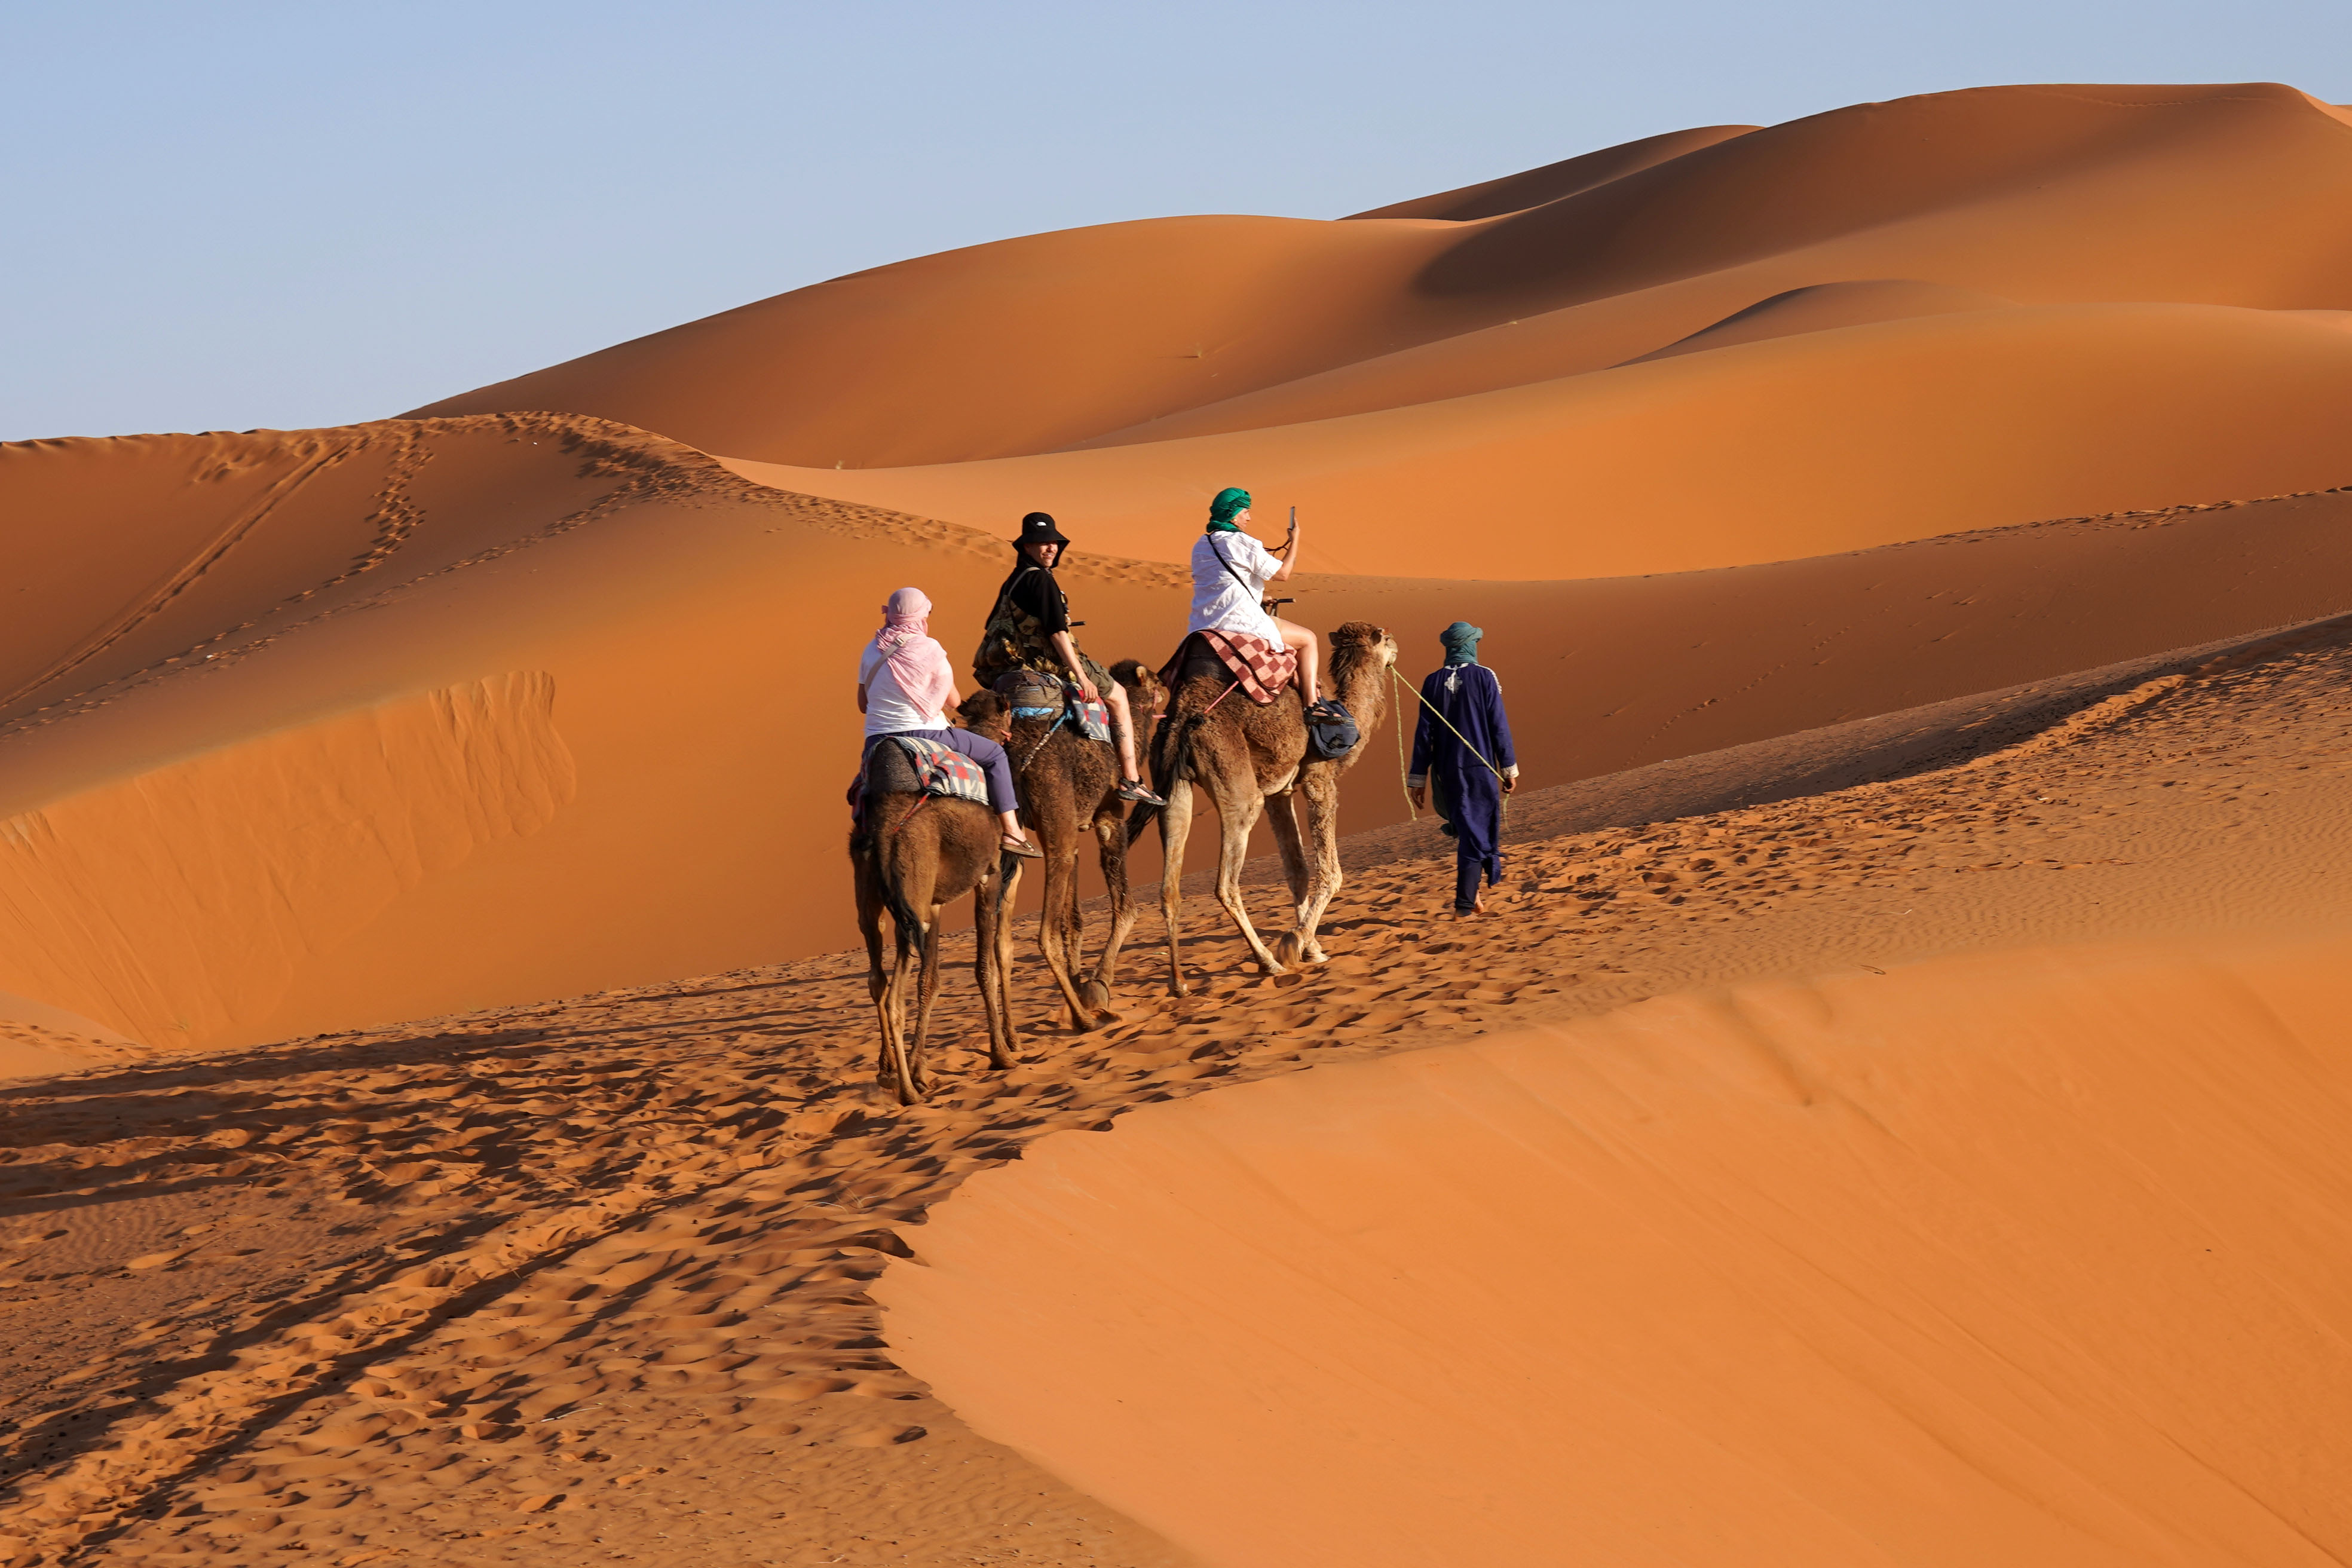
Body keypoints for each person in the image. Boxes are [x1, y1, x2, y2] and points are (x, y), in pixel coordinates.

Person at [974, 512, 1164, 805]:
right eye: (1042, 543)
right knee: (1119, 696)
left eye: (1054, 543)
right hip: (1045, 661)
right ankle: (1131, 779)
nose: (1051, 548)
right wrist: (1082, 676)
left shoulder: (1015, 580)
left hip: (1011, 664)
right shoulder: (1041, 581)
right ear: (1027, 547)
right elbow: (1057, 634)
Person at [860, 586, 1043, 858]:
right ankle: (1013, 832)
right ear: (920, 616)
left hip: (877, 738)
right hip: (924, 733)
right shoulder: (930, 649)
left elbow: (863, 705)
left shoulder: (872, 649)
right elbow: (955, 701)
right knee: (994, 755)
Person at [1187, 486, 1335, 715]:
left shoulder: (1201, 545)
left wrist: (1258, 596)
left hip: (1204, 624)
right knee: (1308, 639)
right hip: (1241, 623)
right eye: (1245, 511)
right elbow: (1283, 574)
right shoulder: (1243, 543)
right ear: (1233, 514)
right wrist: (1295, 540)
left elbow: (1221, 582)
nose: (1249, 517)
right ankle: (1311, 704)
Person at [1407, 621, 1520, 915]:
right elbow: (1499, 725)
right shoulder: (1485, 677)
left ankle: (1473, 895)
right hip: (1479, 768)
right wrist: (1509, 769)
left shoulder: (1432, 681)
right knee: (1475, 831)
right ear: (1471, 645)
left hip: (1447, 772)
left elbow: (1424, 735)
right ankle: (1464, 906)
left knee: (1472, 828)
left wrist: (1417, 779)